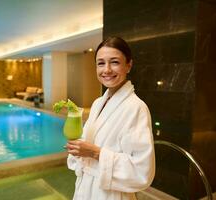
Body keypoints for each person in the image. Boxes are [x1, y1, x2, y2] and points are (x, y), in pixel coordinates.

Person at [66, 36, 155, 200]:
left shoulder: (136, 108)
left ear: (129, 65)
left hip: (112, 195)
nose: (106, 70)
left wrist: (95, 153)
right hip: (86, 189)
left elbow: (142, 171)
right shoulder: (98, 103)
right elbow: (87, 144)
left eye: (114, 62)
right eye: (101, 63)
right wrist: (78, 150)